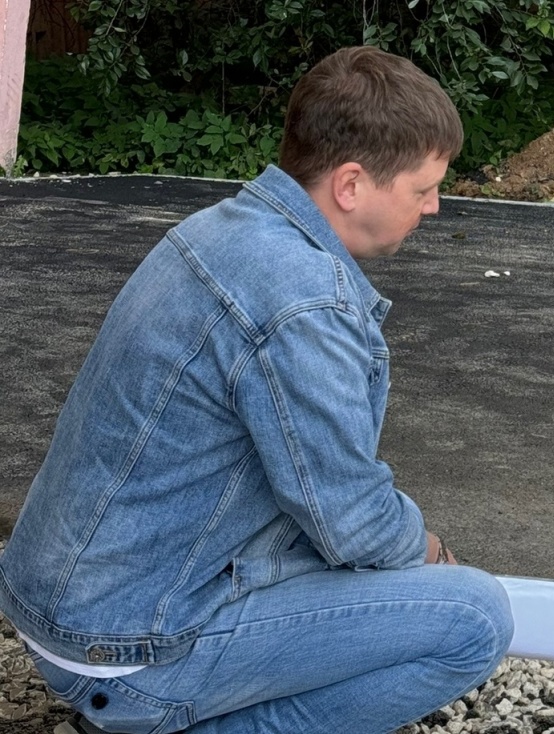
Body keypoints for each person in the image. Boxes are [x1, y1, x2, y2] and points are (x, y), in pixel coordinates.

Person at [0, 46, 513, 734]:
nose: (435, 206)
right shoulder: (302, 300)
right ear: (352, 184)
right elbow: (353, 518)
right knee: (476, 618)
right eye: (423, 188)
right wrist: (435, 556)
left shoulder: (220, 231)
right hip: (127, 648)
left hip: (74, 603)